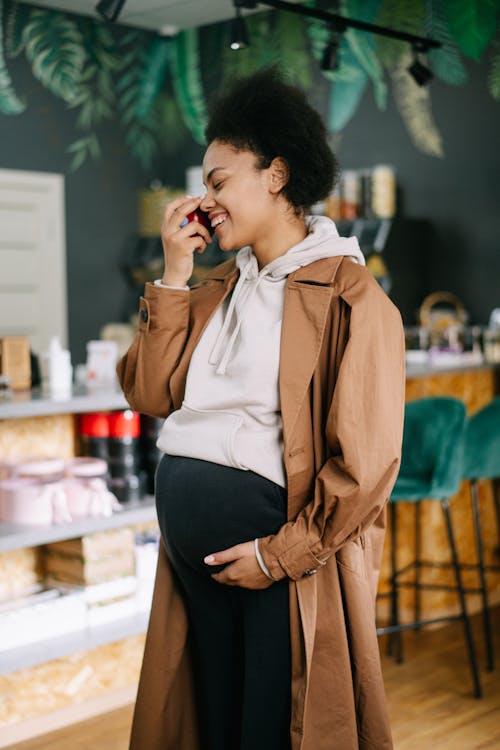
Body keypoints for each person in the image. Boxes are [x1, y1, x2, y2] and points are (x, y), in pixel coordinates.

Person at [117, 66, 405, 750]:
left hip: (273, 557)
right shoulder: (218, 285)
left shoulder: (352, 296)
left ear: (275, 175)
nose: (205, 199)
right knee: (216, 721)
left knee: (276, 726)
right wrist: (175, 276)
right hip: (196, 561)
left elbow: (365, 468)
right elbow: (150, 393)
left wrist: (279, 557)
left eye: (218, 180)